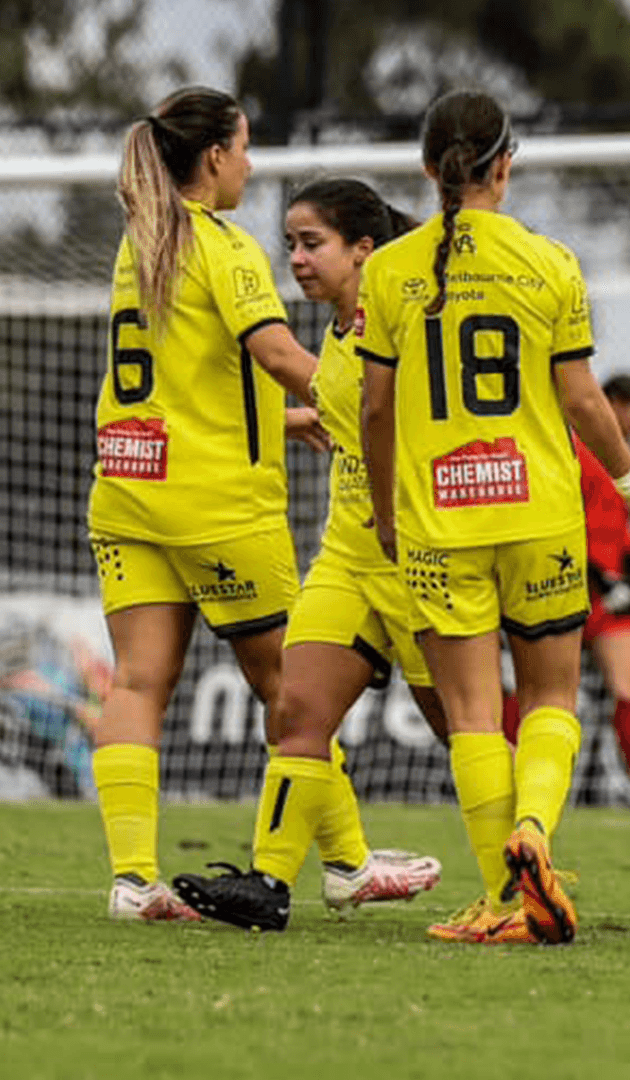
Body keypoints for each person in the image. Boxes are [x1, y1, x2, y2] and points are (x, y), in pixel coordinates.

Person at [358, 90, 630, 945]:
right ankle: (535, 831)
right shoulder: (550, 262)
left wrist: (390, 511)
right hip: (538, 512)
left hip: (438, 520)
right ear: (506, 164)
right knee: (551, 697)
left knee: (473, 714)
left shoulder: (390, 269)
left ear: (430, 169)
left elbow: (375, 410)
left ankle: (503, 903)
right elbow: (581, 397)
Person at [171, 179, 453, 931]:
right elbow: (338, 407)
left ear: (364, 249)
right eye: (290, 243)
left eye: (311, 243)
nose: (295, 258)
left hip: (418, 562)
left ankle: (527, 868)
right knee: (296, 711)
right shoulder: (333, 331)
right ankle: (267, 884)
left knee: (465, 734)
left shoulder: (410, 323)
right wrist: (301, 420)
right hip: (346, 558)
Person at [88, 86, 330, 922]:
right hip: (217, 504)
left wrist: (287, 418)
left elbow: (191, 376)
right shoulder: (224, 247)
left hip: (127, 486)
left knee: (137, 682)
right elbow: (278, 352)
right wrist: (371, 397)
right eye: (246, 147)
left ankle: (131, 880)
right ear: (217, 157)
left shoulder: (142, 241)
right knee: (295, 692)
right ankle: (351, 863)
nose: (252, 164)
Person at [503, 374, 630, 806]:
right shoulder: (570, 448)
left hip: (610, 596)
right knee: (539, 690)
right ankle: (508, 777)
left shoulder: (621, 460)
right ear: (613, 404)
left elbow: (617, 527)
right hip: (566, 582)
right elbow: (560, 516)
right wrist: (602, 577)